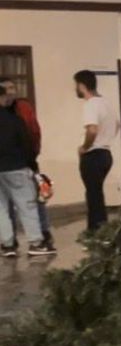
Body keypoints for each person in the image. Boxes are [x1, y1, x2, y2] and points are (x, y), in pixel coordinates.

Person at [0, 82, 54, 257]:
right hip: (17, 168)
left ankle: (8, 245)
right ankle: (36, 242)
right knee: (27, 206)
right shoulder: (14, 120)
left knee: (1, 209)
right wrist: (32, 166)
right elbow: (27, 144)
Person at [75, 69, 120, 232]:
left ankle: (97, 230)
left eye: (76, 85)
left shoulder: (90, 105)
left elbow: (92, 130)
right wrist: (106, 140)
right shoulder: (105, 102)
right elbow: (117, 125)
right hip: (106, 153)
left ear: (81, 85)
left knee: (93, 195)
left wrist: (84, 147)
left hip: (93, 155)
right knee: (97, 192)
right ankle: (100, 228)